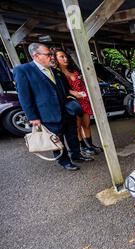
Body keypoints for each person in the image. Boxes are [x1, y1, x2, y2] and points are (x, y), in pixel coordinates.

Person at [13, 43, 93, 171]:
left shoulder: (55, 71)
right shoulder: (23, 70)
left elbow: (65, 90)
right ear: (36, 56)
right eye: (48, 54)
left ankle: (77, 155)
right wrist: (32, 117)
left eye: (51, 54)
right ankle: (64, 161)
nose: (52, 57)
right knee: (57, 139)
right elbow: (24, 96)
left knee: (72, 135)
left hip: (67, 110)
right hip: (47, 113)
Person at [53, 48, 102, 155]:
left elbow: (84, 84)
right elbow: (60, 90)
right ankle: (83, 146)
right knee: (77, 127)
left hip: (84, 100)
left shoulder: (74, 71)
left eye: (66, 56)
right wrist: (72, 92)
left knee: (87, 125)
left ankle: (90, 144)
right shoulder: (57, 74)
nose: (65, 59)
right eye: (61, 57)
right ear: (56, 59)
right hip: (73, 103)